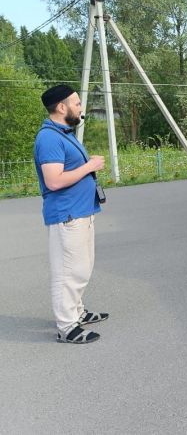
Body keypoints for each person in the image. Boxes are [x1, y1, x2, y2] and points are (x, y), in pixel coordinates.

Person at [33, 84, 107, 344]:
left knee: (82, 268)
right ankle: (66, 327)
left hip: (80, 211)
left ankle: (77, 312)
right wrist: (90, 166)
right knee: (68, 272)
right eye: (76, 103)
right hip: (67, 215)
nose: (81, 108)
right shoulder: (49, 138)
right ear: (61, 107)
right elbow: (53, 181)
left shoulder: (63, 133)